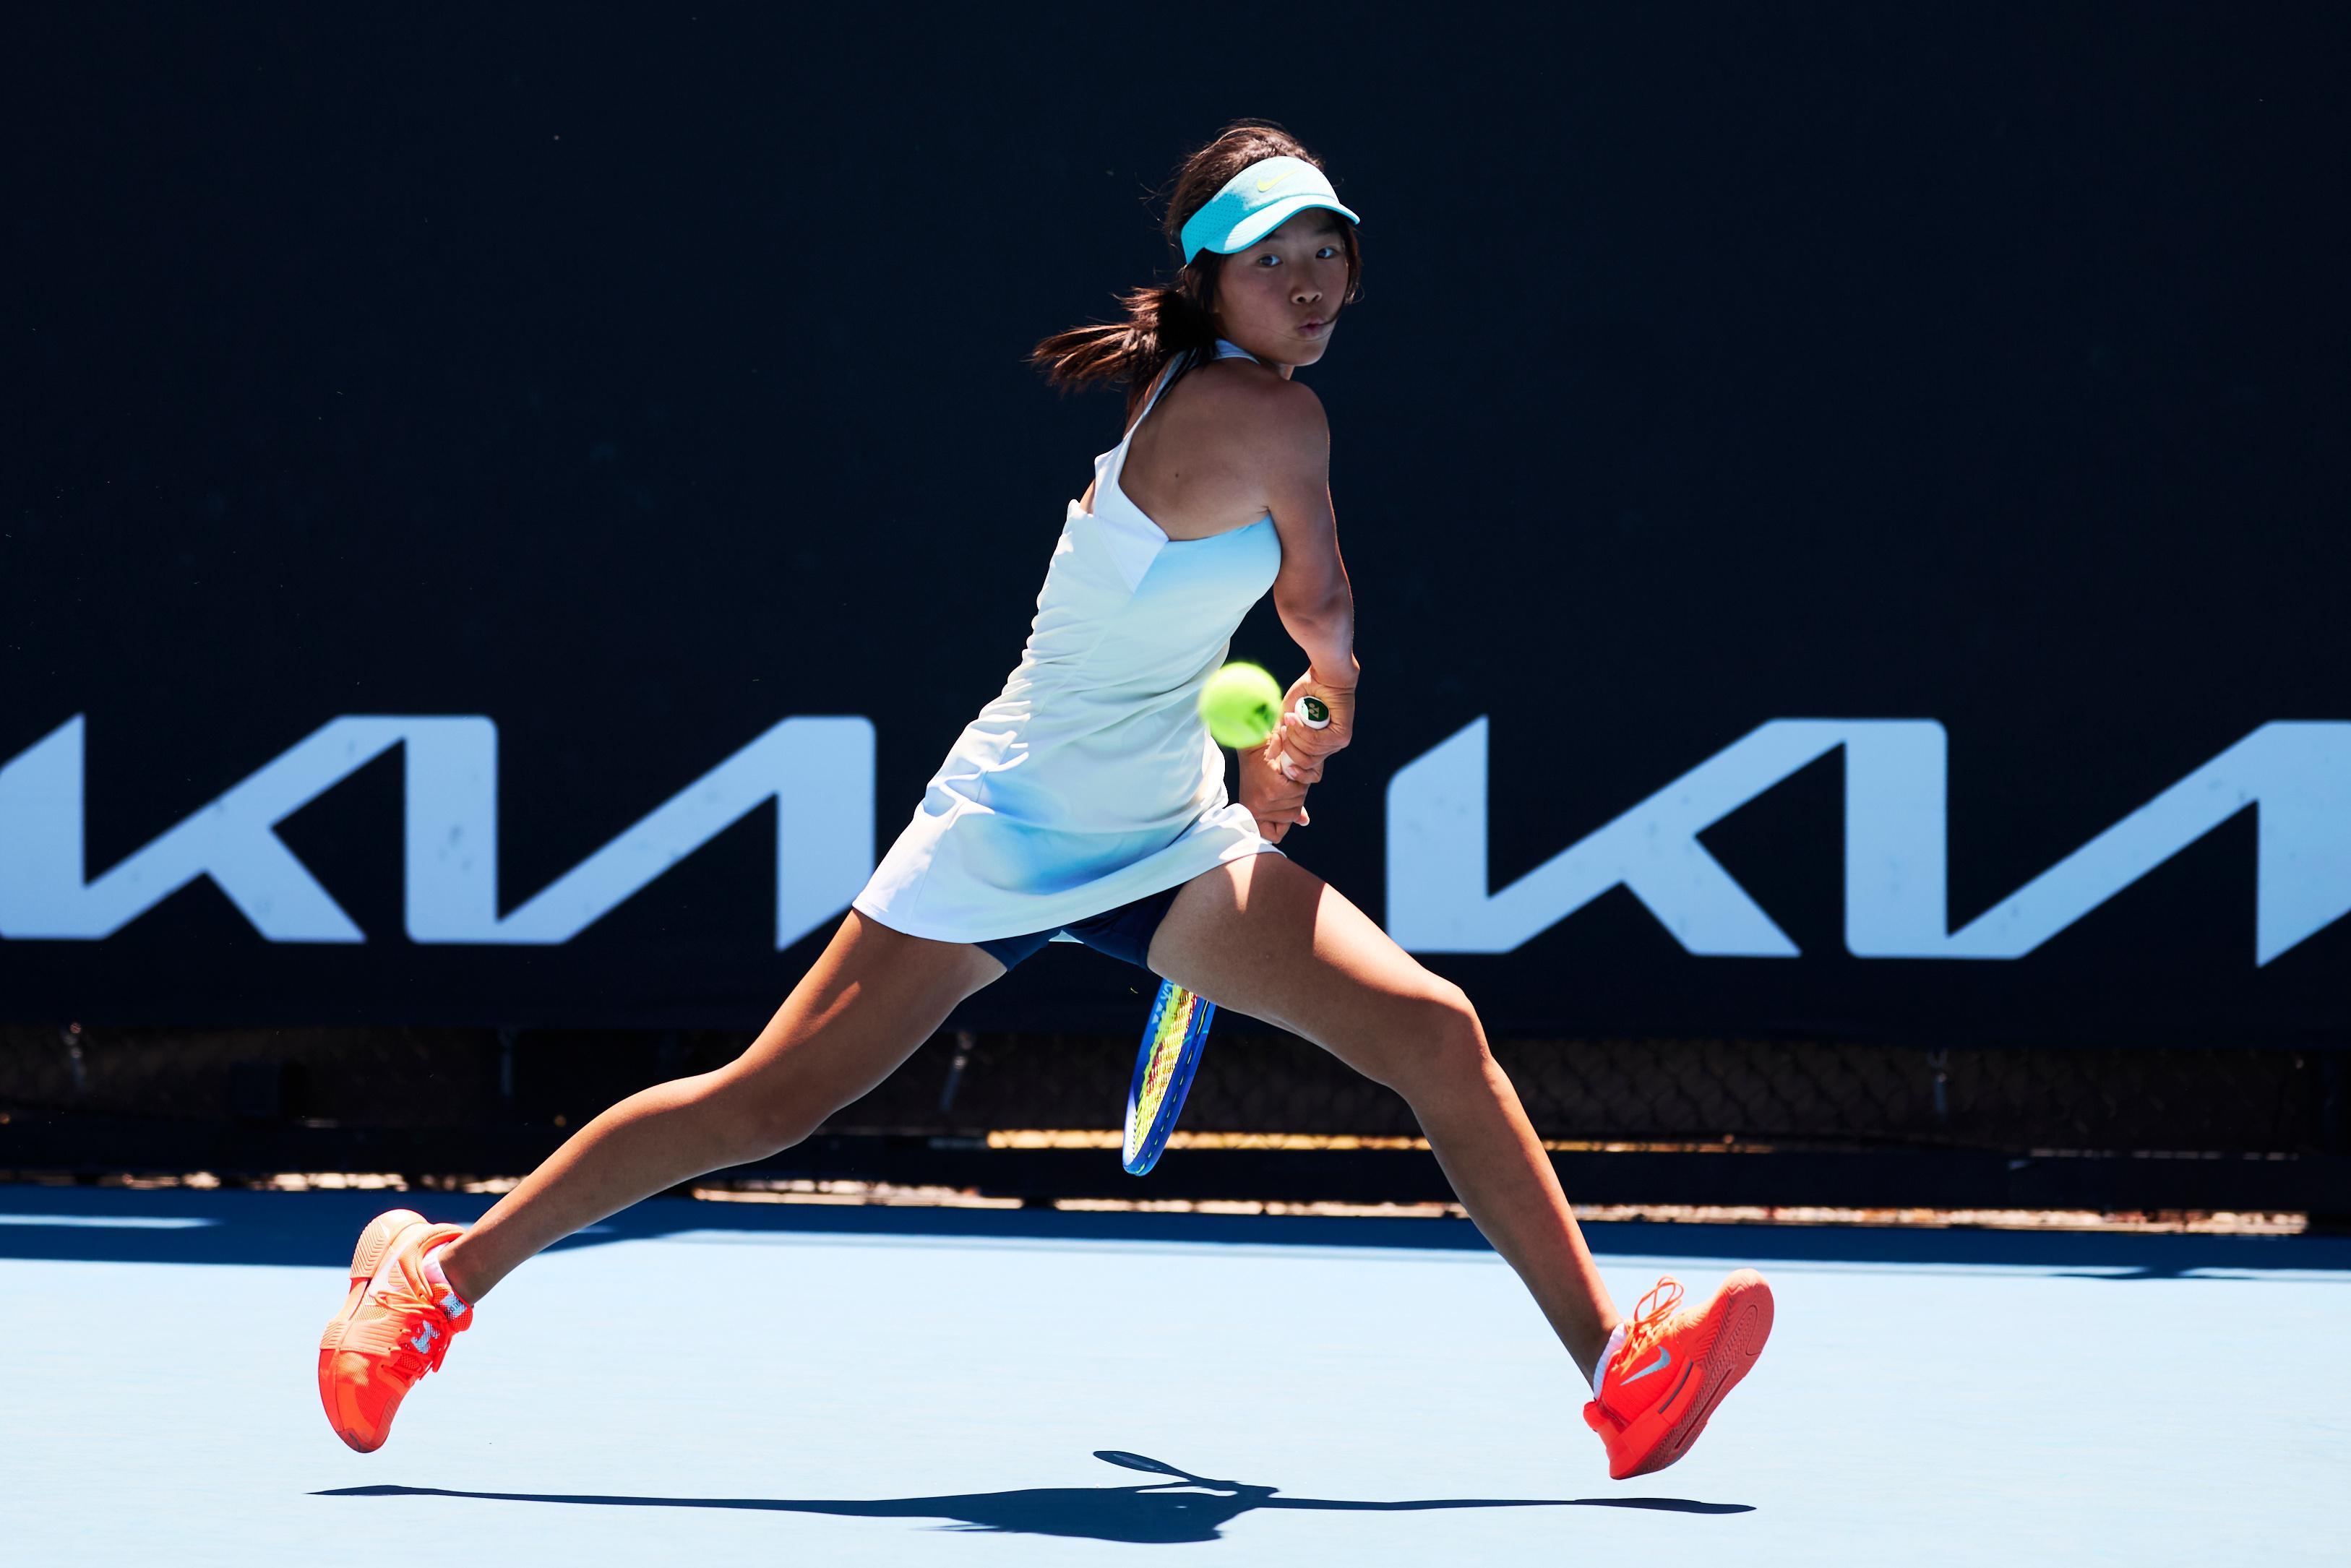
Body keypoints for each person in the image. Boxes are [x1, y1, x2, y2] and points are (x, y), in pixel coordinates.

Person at [317, 121, 1774, 1481]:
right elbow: (1323, 618)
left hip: (1162, 832)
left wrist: (1269, 756)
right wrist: (1317, 708)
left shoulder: (1208, 393)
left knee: (1432, 1032)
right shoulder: (1265, 412)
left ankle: (1621, 1372)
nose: (1310, 280)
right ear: (1208, 278)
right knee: (764, 1101)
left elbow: (1214, 642)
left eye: (1327, 249)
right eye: (1272, 256)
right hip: (1012, 824)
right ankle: (431, 1274)